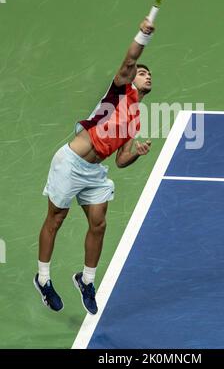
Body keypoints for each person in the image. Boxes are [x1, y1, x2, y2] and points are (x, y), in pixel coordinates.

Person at [34, 17, 155, 315]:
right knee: (56, 219)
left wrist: (136, 152)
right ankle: (43, 279)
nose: (146, 75)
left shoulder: (135, 120)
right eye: (142, 72)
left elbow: (121, 160)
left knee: (99, 224)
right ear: (131, 78)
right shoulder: (119, 92)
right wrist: (143, 34)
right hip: (71, 163)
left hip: (94, 173)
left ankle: (86, 281)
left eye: (149, 74)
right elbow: (130, 57)